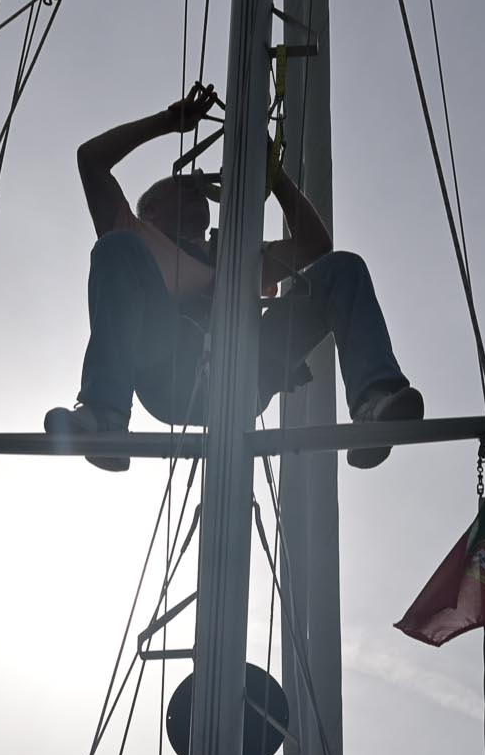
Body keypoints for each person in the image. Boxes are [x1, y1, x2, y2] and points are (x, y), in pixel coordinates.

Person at [47, 82, 422, 471]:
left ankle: (374, 402)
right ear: (153, 210)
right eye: (184, 185)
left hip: (249, 369)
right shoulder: (138, 235)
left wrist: (273, 177)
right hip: (170, 368)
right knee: (115, 247)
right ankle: (105, 417)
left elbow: (315, 244)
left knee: (344, 269)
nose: (196, 187)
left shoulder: (233, 251)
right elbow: (90, 159)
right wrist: (165, 123)